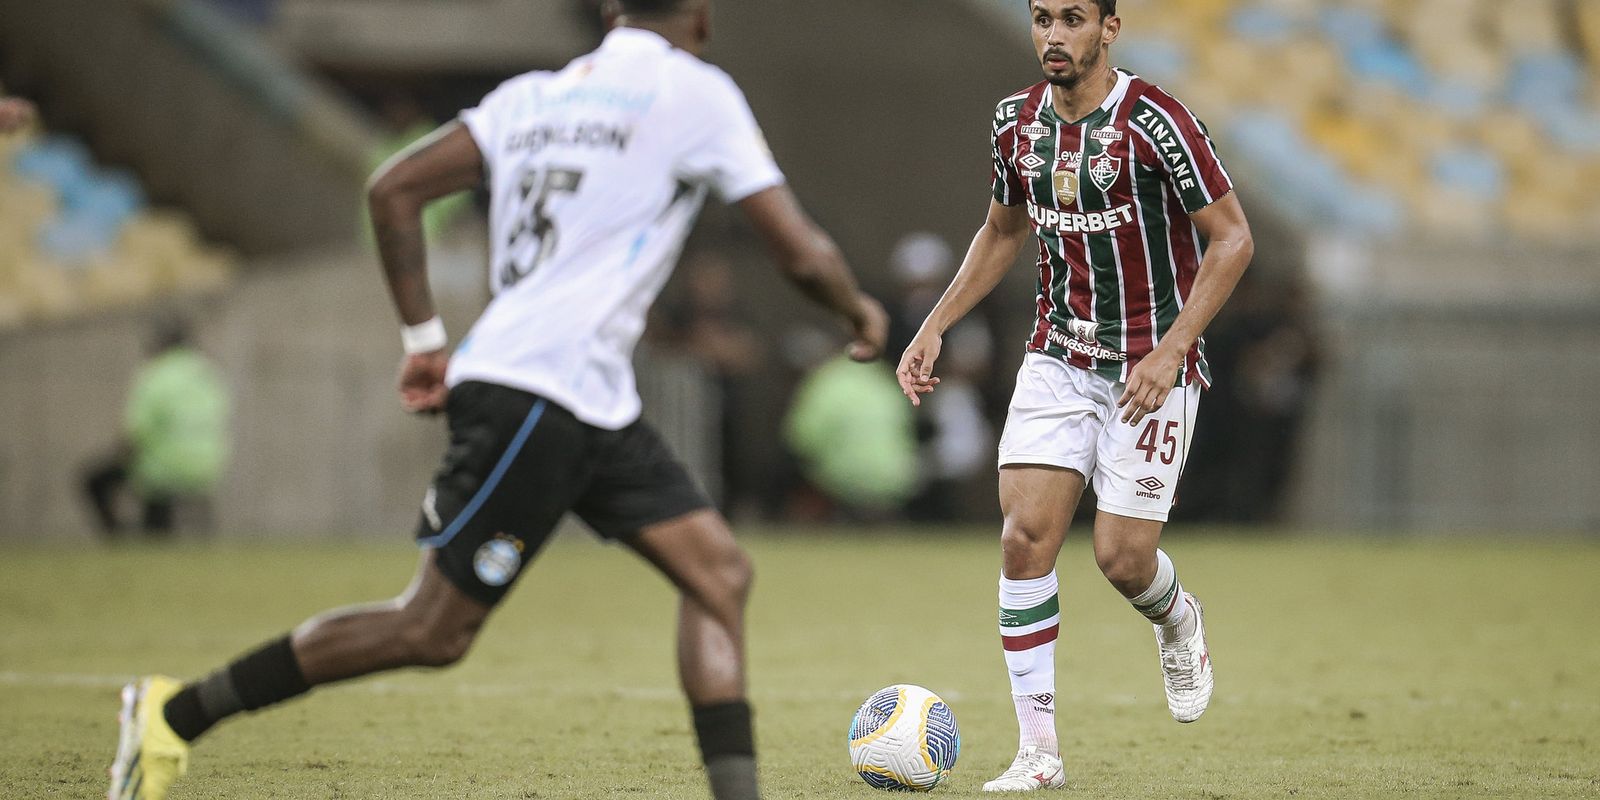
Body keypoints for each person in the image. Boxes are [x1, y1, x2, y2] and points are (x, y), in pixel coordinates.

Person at [107, 2, 888, 798]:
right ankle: (175, 714)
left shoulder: (531, 99)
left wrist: (424, 342)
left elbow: (393, 188)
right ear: (702, 14)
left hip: (589, 397)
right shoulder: (695, 93)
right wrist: (858, 310)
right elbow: (800, 252)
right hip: (537, 391)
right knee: (431, 630)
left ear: (611, 8)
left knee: (718, 575)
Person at [895, 0, 1253, 791]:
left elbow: (1232, 237)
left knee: (1122, 559)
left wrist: (1172, 348)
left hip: (1149, 368)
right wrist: (936, 324)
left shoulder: (1158, 122)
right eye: (1041, 18)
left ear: (1108, 29)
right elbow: (1003, 230)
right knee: (1024, 539)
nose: (1054, 36)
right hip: (1057, 357)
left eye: (1072, 19)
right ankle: (1038, 753)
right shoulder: (1014, 123)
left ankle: (1177, 618)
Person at [82, 319, 230, 539]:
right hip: (208, 467)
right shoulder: (207, 373)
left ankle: (119, 537)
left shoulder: (156, 374)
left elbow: (136, 433)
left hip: (163, 467)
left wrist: (122, 456)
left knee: (95, 480)